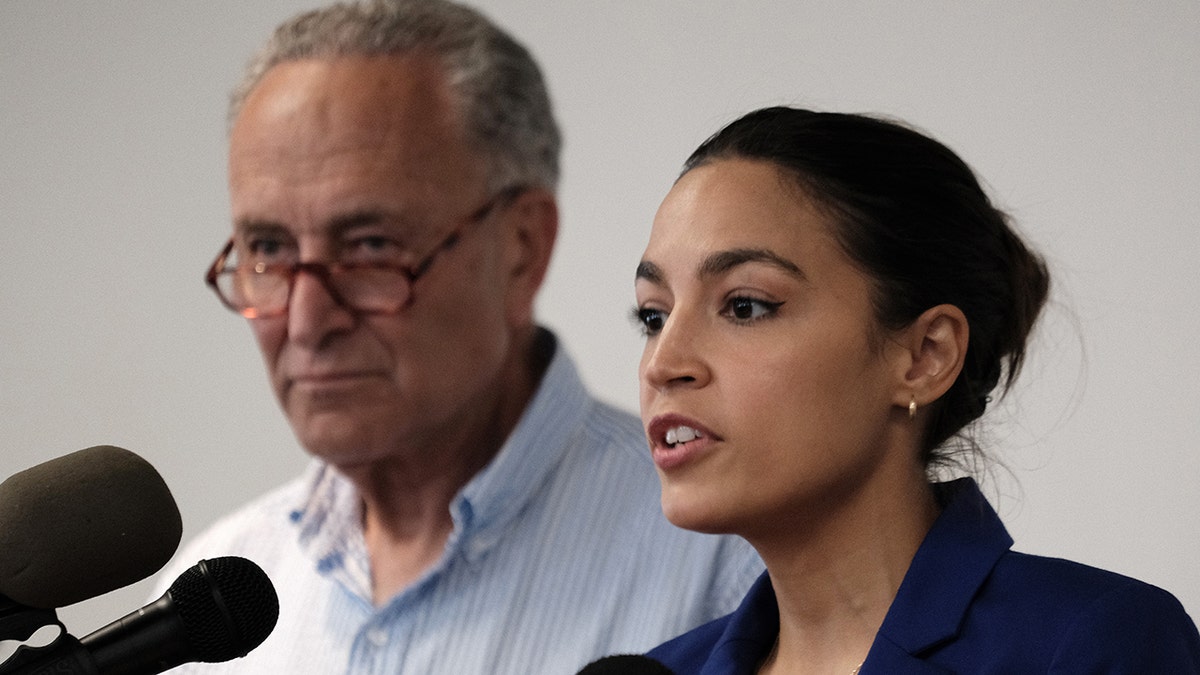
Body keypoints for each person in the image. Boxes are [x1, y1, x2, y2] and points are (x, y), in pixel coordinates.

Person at [152, 1, 761, 672]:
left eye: (369, 247)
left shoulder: (731, 564)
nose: (305, 321)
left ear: (522, 248)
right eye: (267, 248)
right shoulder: (203, 615)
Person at [625, 106, 1200, 673]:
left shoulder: (1091, 644)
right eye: (654, 317)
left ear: (926, 355)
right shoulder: (663, 671)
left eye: (745, 306)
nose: (663, 363)